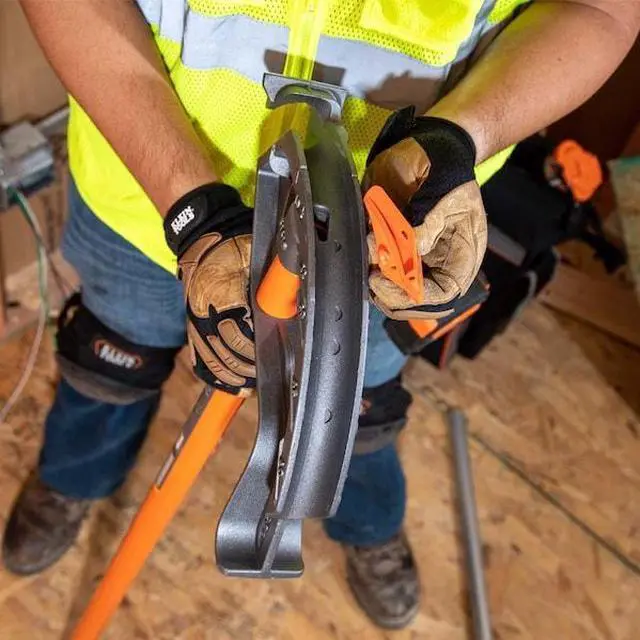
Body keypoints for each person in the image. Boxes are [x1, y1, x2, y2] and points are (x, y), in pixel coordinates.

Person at [3, 0, 638, 630]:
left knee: (355, 406)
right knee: (111, 359)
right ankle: (72, 481)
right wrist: (190, 207)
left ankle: (368, 526)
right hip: (141, 199)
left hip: (380, 237)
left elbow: (601, 12)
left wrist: (457, 136)